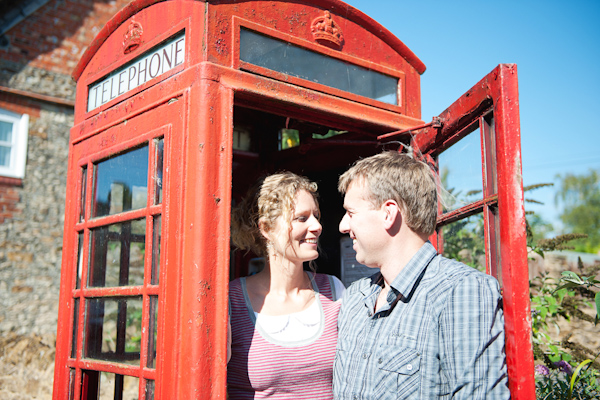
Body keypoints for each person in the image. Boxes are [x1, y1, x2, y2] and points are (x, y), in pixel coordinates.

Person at [333, 151, 510, 399]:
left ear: (388, 213)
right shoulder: (354, 297)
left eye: (351, 213)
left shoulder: (460, 292)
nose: (343, 226)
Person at [228, 171, 345, 399]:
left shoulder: (334, 291)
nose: (317, 226)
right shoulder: (232, 301)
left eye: (316, 216)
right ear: (267, 229)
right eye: (302, 218)